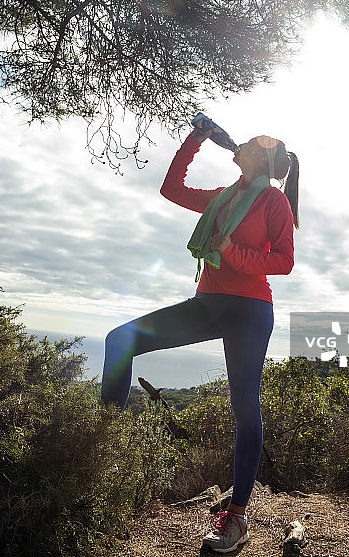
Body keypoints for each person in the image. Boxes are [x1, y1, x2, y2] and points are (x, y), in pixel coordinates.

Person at [101, 126, 299, 553]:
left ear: (260, 160)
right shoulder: (222, 198)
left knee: (245, 408)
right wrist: (196, 138)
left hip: (249, 310)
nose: (241, 145)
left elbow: (283, 261)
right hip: (207, 302)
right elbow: (171, 188)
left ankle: (237, 517)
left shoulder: (273, 200)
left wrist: (232, 251)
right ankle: (99, 452)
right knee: (119, 340)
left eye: (249, 144)